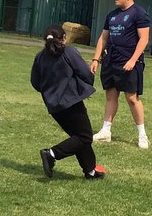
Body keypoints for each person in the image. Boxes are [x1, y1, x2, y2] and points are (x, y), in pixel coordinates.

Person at [31, 24, 105, 180]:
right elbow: (85, 73)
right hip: (71, 102)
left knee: (77, 136)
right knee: (85, 137)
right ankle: (51, 154)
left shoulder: (39, 57)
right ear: (64, 38)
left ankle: (90, 171)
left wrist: (50, 91)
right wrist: (88, 81)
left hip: (54, 107)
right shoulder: (68, 52)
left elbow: (35, 83)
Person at [90, 0, 151, 150]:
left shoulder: (139, 13)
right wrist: (96, 59)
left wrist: (133, 60)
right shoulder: (111, 15)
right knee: (110, 95)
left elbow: (144, 39)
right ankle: (105, 131)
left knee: (131, 98)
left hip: (129, 60)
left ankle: (142, 135)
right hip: (111, 60)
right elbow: (103, 38)